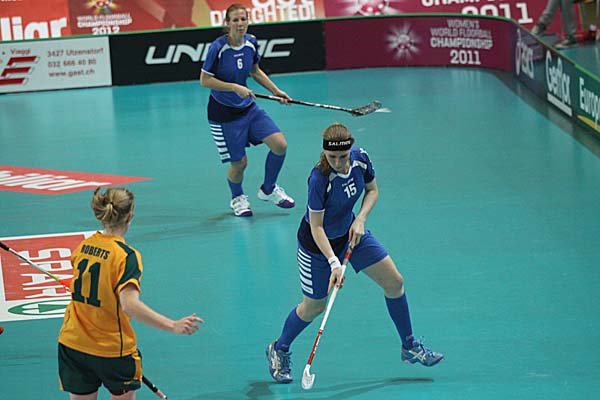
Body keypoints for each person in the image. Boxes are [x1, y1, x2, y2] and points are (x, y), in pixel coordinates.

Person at [265, 123, 444, 383]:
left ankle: (409, 346)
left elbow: (372, 190)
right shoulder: (319, 179)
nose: (337, 162)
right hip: (317, 247)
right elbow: (316, 227)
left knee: (394, 282)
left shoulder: (361, 159)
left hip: (351, 234)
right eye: (331, 157)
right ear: (324, 153)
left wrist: (360, 219)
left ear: (350, 150)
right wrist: (334, 263)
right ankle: (279, 348)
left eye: (342, 156)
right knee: (314, 307)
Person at [58, 187, 203, 399]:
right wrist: (173, 325)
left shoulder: (83, 247)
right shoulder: (126, 256)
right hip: (112, 349)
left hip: (73, 343)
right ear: (130, 215)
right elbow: (129, 305)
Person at [200, 3, 295, 217]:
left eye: (243, 19)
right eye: (235, 20)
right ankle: (237, 198)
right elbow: (205, 80)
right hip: (223, 115)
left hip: (248, 109)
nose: (240, 23)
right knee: (239, 163)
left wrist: (276, 91)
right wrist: (234, 87)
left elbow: (255, 71)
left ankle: (268, 189)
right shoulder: (218, 48)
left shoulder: (251, 42)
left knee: (280, 145)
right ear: (227, 23)